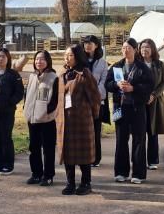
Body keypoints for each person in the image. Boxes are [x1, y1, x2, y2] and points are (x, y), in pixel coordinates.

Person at [106, 38, 154, 183]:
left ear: (135, 50)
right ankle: (121, 172)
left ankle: (138, 174)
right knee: (121, 140)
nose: (125, 50)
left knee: (139, 140)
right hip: (120, 107)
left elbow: (149, 85)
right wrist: (117, 85)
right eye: (123, 48)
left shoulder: (142, 67)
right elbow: (107, 84)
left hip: (137, 108)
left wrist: (133, 88)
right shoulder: (116, 66)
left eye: (128, 48)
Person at [56, 44, 101, 195]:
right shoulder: (62, 73)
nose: (67, 58)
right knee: (67, 153)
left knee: (83, 154)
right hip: (65, 120)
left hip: (81, 121)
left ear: (78, 57)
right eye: (65, 55)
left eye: (70, 55)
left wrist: (92, 116)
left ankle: (86, 183)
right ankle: (70, 183)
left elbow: (95, 97)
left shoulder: (85, 74)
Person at [24, 50, 58, 186]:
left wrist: (46, 112)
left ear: (48, 61)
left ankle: (48, 175)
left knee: (48, 149)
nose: (39, 61)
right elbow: (27, 95)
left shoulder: (53, 77)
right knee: (34, 147)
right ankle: (36, 174)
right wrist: (26, 109)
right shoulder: (32, 76)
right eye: (37, 59)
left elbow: (55, 100)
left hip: (46, 119)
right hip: (32, 119)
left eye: (42, 59)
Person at [139, 38, 164, 170]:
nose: (144, 49)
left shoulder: (159, 64)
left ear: (153, 49)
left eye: (147, 47)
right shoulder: (137, 63)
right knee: (140, 132)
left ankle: (152, 160)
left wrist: (154, 95)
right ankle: (139, 160)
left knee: (153, 131)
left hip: (155, 102)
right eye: (142, 47)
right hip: (140, 101)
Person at [83, 35, 109, 167]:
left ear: (96, 45)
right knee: (83, 131)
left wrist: (93, 94)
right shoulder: (79, 60)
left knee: (95, 130)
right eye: (86, 43)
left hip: (97, 101)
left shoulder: (102, 63)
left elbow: (104, 81)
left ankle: (95, 158)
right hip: (81, 101)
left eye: (90, 43)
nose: (87, 45)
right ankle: (84, 157)